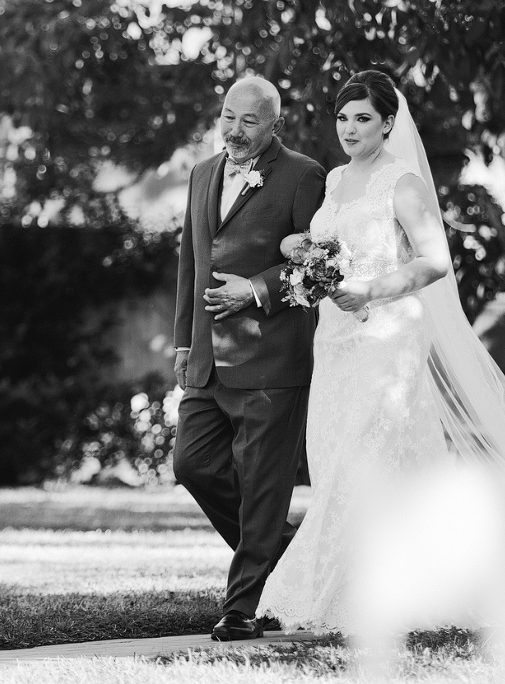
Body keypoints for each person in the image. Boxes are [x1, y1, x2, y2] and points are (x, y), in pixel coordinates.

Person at [258, 69, 505, 631]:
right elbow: (326, 243)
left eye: (362, 118)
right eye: (342, 118)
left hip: (388, 337)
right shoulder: (336, 180)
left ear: (388, 123)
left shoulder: (404, 183)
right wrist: (302, 247)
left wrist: (370, 288)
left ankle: (340, 595)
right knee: (335, 453)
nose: (349, 128)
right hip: (336, 336)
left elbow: (435, 261)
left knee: (362, 455)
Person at [172, 75, 327, 642]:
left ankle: (241, 609)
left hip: (273, 358)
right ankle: (289, 555)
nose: (234, 130)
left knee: (264, 487)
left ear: (274, 124)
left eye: (249, 121)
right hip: (207, 359)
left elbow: (320, 262)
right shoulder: (200, 174)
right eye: (228, 117)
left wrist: (256, 289)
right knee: (192, 464)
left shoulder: (303, 174)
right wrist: (184, 344)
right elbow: (191, 262)